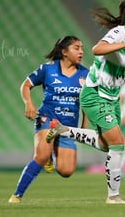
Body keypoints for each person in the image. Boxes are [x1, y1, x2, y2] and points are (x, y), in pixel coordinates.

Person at [46, 0, 125, 204]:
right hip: (95, 94)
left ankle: (62, 130)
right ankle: (113, 197)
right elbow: (97, 49)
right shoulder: (119, 34)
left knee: (106, 145)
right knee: (118, 144)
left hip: (111, 98)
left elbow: (118, 63)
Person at [8, 36, 89, 203]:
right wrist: (28, 104)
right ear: (64, 52)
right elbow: (25, 85)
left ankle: (52, 150)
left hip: (67, 126)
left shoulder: (86, 74)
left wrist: (84, 126)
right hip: (47, 118)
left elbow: (88, 100)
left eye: (81, 48)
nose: (81, 51)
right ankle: (17, 195)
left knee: (66, 171)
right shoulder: (47, 69)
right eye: (76, 48)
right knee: (41, 156)